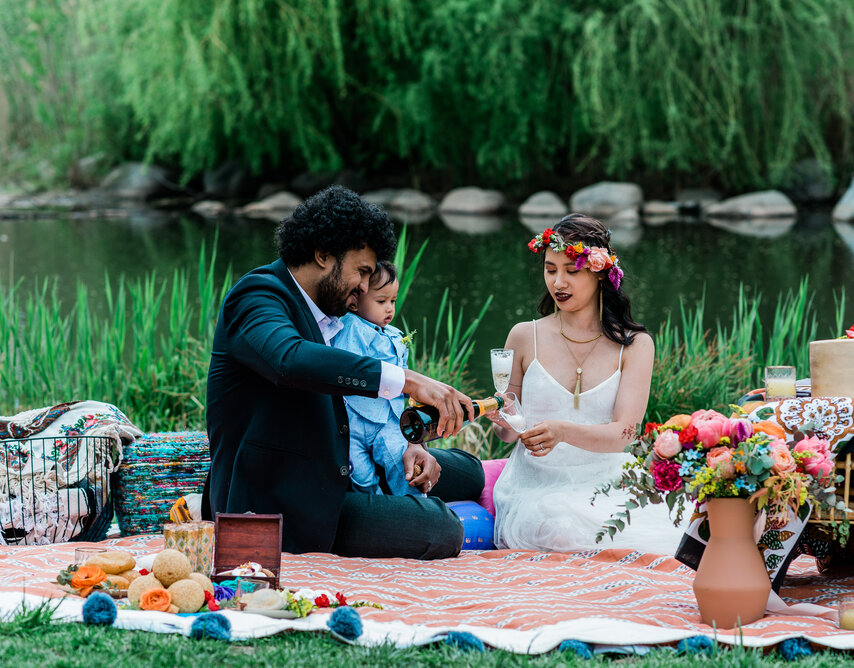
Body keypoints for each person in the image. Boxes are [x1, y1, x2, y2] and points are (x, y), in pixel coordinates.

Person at [205, 185, 484, 558]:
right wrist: (407, 379)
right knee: (442, 528)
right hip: (286, 499)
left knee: (470, 473)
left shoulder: (335, 315)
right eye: (362, 272)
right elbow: (290, 358)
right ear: (323, 255)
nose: (366, 287)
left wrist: (410, 445)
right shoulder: (257, 296)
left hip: (343, 462)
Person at [490, 214, 687, 554]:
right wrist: (503, 417)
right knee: (562, 531)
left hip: (608, 480)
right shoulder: (524, 336)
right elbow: (509, 433)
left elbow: (624, 434)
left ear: (599, 272)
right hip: (538, 482)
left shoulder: (636, 344)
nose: (558, 282)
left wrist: (563, 432)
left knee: (674, 535)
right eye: (550, 269)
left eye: (571, 270)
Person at [332, 260, 419, 497]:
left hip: (388, 418)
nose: (390, 309)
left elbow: (404, 373)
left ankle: (414, 504)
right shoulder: (352, 327)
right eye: (381, 302)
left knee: (400, 461)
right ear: (355, 301)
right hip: (353, 421)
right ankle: (376, 507)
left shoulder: (394, 334)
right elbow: (346, 367)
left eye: (393, 301)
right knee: (359, 473)